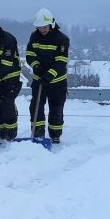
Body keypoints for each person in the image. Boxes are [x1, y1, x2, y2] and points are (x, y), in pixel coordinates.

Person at [26, 8, 70, 143]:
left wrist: (49, 75)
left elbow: (61, 61)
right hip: (39, 80)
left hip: (57, 81)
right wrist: (36, 66)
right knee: (36, 107)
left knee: (56, 108)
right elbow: (29, 55)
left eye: (44, 27)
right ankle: (38, 135)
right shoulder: (34, 36)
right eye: (39, 27)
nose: (42, 30)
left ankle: (55, 135)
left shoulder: (62, 39)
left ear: (51, 24)